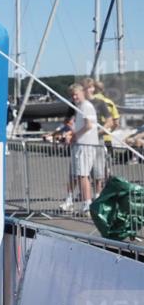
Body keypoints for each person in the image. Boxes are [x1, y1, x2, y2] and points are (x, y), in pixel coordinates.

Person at [63, 83, 99, 214]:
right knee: (78, 175)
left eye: (76, 94)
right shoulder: (80, 106)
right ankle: (80, 202)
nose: (74, 97)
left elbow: (89, 125)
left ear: (82, 93)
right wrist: (73, 133)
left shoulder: (85, 106)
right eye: (72, 95)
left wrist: (75, 136)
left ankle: (87, 204)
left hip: (85, 145)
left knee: (83, 175)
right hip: (81, 144)